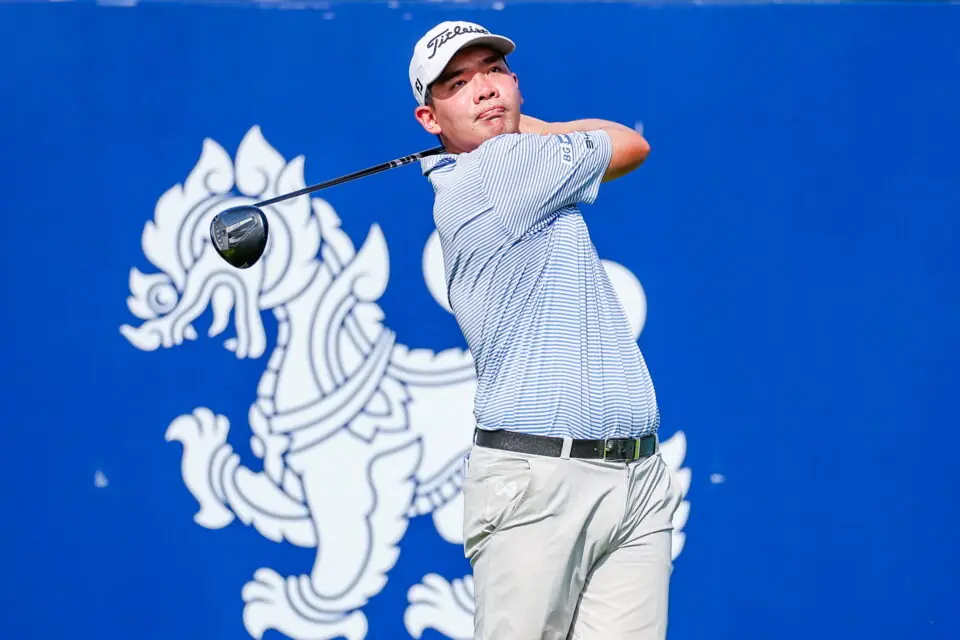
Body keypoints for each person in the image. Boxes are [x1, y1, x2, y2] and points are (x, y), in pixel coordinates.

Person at [408, 20, 683, 640]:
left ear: (517, 83)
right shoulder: (497, 170)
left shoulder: (507, 160)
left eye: (494, 72)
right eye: (458, 83)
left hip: (634, 476)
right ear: (429, 118)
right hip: (538, 485)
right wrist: (523, 126)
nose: (484, 88)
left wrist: (500, 124)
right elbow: (629, 144)